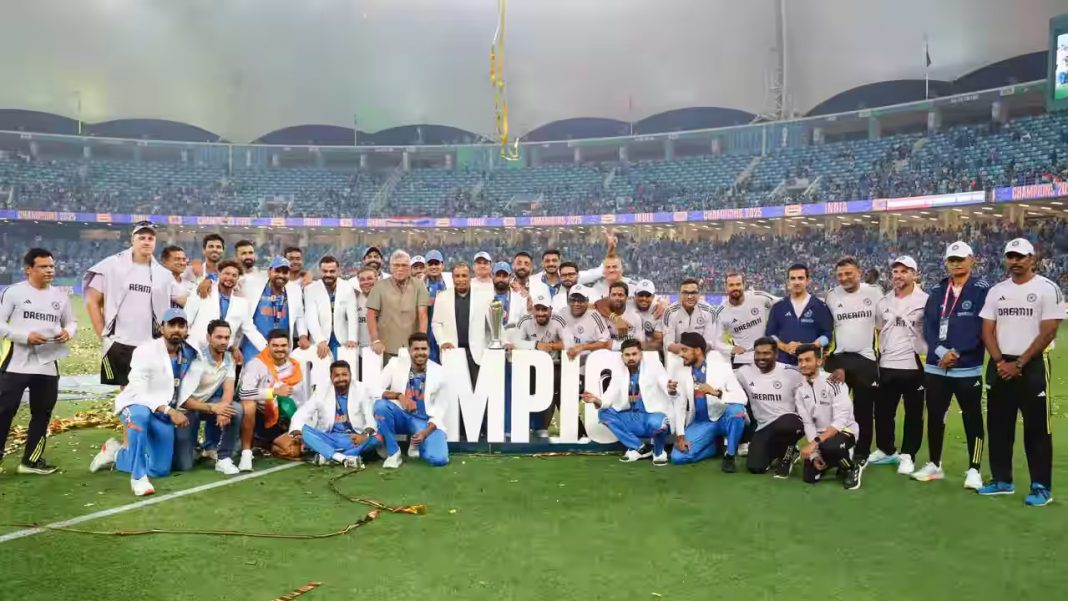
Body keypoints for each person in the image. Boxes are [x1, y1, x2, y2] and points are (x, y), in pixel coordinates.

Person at [978, 238, 1063, 506]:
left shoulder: (1047, 288)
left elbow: (1049, 330)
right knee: (998, 426)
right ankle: (1002, 480)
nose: (1014, 262)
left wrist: (1020, 363)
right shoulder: (997, 291)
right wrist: (1000, 361)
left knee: (1037, 429)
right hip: (1000, 365)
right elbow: (987, 330)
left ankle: (1041, 487)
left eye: (1020, 257)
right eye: (1010, 257)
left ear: (1032, 259)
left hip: (1032, 366)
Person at [89, 309, 197, 496]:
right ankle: (138, 478)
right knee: (140, 414)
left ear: (187, 329)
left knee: (159, 470)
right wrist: (170, 411)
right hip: (134, 404)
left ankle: (116, 453)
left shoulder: (189, 353)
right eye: (171, 325)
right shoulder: (145, 350)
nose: (176, 329)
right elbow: (139, 390)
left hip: (162, 413)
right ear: (162, 328)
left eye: (181, 325)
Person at [918, 241, 988, 489]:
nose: (956, 263)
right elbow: (929, 325)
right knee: (935, 416)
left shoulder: (981, 290)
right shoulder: (938, 290)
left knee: (972, 418)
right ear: (946, 262)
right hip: (936, 366)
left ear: (972, 260)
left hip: (967, 366)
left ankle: (974, 469)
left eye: (961, 259)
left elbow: (983, 327)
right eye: (952, 260)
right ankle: (934, 464)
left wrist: (957, 352)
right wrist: (940, 351)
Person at [0, 248, 76, 475]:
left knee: (42, 414)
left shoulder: (60, 295)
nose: (49, 270)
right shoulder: (13, 293)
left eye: (51, 266)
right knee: (4, 411)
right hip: (16, 363)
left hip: (47, 364)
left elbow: (71, 322)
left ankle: (30, 462)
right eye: (43, 267)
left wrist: (68, 332)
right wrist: (25, 337)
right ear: (28, 270)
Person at [84, 220, 180, 387]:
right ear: (132, 240)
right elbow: (92, 300)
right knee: (126, 391)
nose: (146, 242)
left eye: (150, 238)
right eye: (142, 237)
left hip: (152, 343)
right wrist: (103, 335)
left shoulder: (163, 274)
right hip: (120, 341)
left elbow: (181, 300)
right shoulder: (111, 266)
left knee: (151, 389)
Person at [868, 256, 929, 476]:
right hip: (886, 365)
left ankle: (908, 455)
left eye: (904, 271)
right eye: (895, 271)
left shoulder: (926, 300)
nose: (899, 275)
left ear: (914, 274)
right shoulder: (884, 302)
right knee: (883, 412)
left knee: (913, 413)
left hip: (914, 366)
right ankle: (887, 450)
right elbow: (879, 329)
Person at [824, 257, 881, 465]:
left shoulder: (874, 292)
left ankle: (861, 452)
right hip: (839, 359)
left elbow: (883, 325)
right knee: (833, 408)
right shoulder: (831, 296)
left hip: (866, 359)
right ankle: (832, 449)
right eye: (840, 275)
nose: (844, 278)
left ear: (859, 272)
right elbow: (825, 327)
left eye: (848, 273)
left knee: (863, 410)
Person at [582, 339, 671, 465]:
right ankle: (639, 448)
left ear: (641, 354)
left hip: (652, 416)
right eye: (627, 355)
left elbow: (666, 383)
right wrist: (596, 400)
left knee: (657, 423)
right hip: (632, 417)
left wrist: (670, 388)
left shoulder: (654, 366)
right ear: (622, 356)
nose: (631, 358)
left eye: (634, 354)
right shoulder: (619, 371)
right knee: (604, 413)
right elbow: (609, 397)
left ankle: (659, 452)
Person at [172, 319, 243, 475]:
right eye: (219, 337)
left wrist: (223, 409)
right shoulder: (197, 360)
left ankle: (223, 458)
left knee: (235, 409)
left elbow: (228, 390)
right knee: (183, 465)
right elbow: (182, 400)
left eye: (226, 337)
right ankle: (197, 448)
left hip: (208, 404)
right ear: (208, 337)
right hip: (185, 409)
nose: (223, 341)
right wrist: (214, 408)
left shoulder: (229, 359)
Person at [667, 332, 748, 471]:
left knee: (737, 411)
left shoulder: (721, 367)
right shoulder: (681, 372)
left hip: (723, 417)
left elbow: (742, 398)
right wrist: (680, 436)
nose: (680, 354)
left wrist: (716, 393)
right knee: (677, 457)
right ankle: (714, 447)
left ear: (698, 350)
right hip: (701, 422)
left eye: (684, 350)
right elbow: (679, 405)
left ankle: (730, 455)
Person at [372, 333, 450, 468]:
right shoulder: (395, 363)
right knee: (381, 406)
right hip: (401, 415)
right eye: (416, 349)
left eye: (423, 349)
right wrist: (399, 396)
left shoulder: (439, 372)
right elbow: (374, 389)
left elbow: (440, 409)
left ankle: (418, 444)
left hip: (424, 422)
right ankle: (393, 452)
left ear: (429, 350)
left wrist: (425, 433)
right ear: (409, 351)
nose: (420, 353)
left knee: (439, 459)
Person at [794, 344, 862, 490]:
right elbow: (808, 423)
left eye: (808, 360)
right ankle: (833, 461)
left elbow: (840, 421)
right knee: (809, 477)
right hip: (820, 438)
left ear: (819, 361)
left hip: (844, 431)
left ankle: (851, 467)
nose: (803, 364)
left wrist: (815, 443)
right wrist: (814, 455)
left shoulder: (835, 382)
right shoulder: (799, 389)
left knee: (830, 446)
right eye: (800, 361)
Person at [736, 337, 806, 478]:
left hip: (788, 421)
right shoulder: (744, 372)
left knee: (786, 425)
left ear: (776, 354)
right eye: (758, 353)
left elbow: (815, 381)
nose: (761, 357)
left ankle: (788, 453)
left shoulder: (791, 373)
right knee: (755, 467)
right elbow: (728, 385)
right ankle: (784, 451)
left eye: (766, 353)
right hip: (763, 426)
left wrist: (837, 374)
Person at [289, 360, 379, 468]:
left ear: (350, 375)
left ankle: (327, 456)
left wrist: (363, 436)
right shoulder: (322, 391)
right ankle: (341, 457)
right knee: (304, 431)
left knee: (376, 439)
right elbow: (303, 412)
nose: (341, 378)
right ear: (331, 377)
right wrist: (297, 431)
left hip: (352, 438)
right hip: (328, 438)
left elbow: (370, 417)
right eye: (337, 375)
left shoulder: (361, 390)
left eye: (344, 374)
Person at [238, 328, 306, 471]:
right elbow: (243, 392)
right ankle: (246, 452)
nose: (280, 349)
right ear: (268, 346)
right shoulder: (256, 364)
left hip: (284, 417)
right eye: (275, 346)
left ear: (289, 346)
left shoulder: (295, 366)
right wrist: (273, 392)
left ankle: (265, 444)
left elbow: (302, 399)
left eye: (283, 345)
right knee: (248, 405)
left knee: (294, 451)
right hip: (261, 416)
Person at [507, 291, 567, 439]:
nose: (540, 313)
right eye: (537, 309)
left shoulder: (559, 320)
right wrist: (536, 344)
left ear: (551, 309)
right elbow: (515, 342)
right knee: (523, 391)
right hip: (529, 365)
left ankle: (541, 426)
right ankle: (522, 425)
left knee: (549, 392)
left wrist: (551, 346)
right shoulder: (525, 320)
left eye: (544, 309)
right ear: (533, 309)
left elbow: (570, 342)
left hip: (554, 364)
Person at [185, 260, 264, 364]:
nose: (230, 277)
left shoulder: (242, 304)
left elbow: (250, 330)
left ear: (238, 278)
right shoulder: (204, 291)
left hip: (221, 355)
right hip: (194, 350)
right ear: (219, 274)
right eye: (227, 273)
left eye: (234, 275)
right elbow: (186, 318)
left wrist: (268, 349)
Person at [238, 257, 308, 362]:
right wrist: (264, 346)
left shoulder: (294, 289)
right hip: (254, 346)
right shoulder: (252, 285)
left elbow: (300, 316)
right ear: (269, 271)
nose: (281, 275)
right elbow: (246, 321)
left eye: (285, 272)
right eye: (277, 271)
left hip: (280, 348)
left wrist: (303, 335)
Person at [432, 262, 494, 381]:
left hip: (476, 355)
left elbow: (493, 323)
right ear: (452, 278)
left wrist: (503, 342)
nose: (461, 279)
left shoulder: (483, 296)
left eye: (464, 275)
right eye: (457, 276)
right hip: (452, 352)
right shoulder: (442, 297)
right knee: (454, 389)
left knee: (477, 390)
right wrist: (443, 341)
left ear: (470, 277)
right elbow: (436, 323)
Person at [366, 250, 430, 362]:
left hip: (412, 348)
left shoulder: (419, 285)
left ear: (409, 267)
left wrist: (421, 341)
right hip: (386, 348)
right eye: (396, 265)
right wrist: (375, 340)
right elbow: (371, 315)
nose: (400, 268)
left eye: (404, 265)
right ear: (390, 267)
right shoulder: (379, 286)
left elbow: (423, 314)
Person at [765, 264, 832, 365]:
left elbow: (827, 335)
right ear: (788, 281)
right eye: (793, 278)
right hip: (783, 364)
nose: (797, 282)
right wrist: (785, 347)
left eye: (800, 278)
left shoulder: (820, 307)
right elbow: (770, 335)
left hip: (809, 364)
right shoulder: (778, 307)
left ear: (808, 280)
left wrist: (811, 346)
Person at [304, 256, 358, 360]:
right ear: (320, 271)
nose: (328, 274)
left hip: (342, 340)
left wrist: (352, 338)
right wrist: (320, 340)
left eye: (332, 271)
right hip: (320, 341)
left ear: (338, 271)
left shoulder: (347, 287)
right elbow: (311, 318)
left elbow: (353, 316)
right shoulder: (310, 290)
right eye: (325, 271)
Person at [717, 272, 774, 368]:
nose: (735, 287)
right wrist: (731, 349)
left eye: (738, 284)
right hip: (742, 359)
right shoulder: (721, 312)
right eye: (731, 285)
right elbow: (716, 341)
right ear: (725, 287)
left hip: (765, 354)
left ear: (744, 285)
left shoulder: (758, 297)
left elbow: (782, 304)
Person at [663, 278, 721, 357]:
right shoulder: (670, 312)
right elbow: (668, 343)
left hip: (702, 355)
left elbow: (710, 342)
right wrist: (686, 351)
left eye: (693, 293)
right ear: (680, 294)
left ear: (699, 294)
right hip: (677, 356)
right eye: (685, 293)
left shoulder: (709, 311)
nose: (689, 296)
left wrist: (694, 353)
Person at [560, 285, 611, 364]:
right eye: (573, 300)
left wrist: (583, 347)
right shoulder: (562, 314)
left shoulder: (595, 316)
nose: (576, 304)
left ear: (587, 301)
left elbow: (605, 343)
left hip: (591, 360)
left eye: (580, 300)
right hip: (566, 360)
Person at [597, 281, 644, 350]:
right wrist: (617, 319)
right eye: (614, 295)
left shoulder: (636, 317)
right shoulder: (602, 316)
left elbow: (640, 343)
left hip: (629, 354)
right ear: (609, 297)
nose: (617, 298)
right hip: (607, 354)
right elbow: (602, 343)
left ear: (627, 297)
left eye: (620, 295)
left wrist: (614, 345)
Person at [423, 249, 451, 362]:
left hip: (446, 330)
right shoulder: (419, 284)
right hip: (427, 330)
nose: (434, 267)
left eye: (436, 263)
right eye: (430, 264)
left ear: (442, 265)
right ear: (426, 266)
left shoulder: (451, 282)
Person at [351, 266, 378, 350]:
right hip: (359, 349)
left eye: (369, 278)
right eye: (362, 279)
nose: (366, 282)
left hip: (380, 348)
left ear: (377, 279)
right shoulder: (353, 299)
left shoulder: (385, 299)